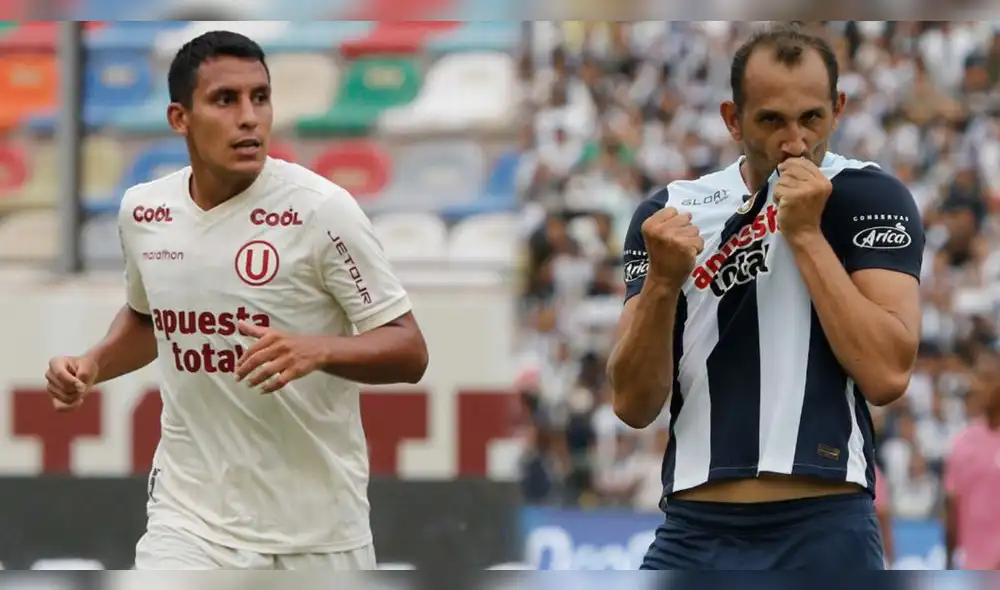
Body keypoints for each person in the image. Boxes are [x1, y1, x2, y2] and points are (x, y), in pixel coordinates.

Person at [43, 31, 429, 570]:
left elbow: (409, 349)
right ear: (180, 118)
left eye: (260, 98)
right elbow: (146, 318)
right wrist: (92, 364)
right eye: (226, 100)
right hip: (188, 523)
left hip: (317, 537)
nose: (249, 117)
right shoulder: (144, 212)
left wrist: (317, 350)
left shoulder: (322, 212)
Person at [606, 23, 924, 570]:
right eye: (772, 120)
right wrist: (660, 284)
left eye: (812, 119)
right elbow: (633, 405)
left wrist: (804, 234)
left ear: (839, 109)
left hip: (825, 525)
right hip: (694, 530)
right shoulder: (672, 213)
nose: (795, 142)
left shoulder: (871, 197)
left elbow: (887, 373)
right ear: (733, 119)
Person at [944, 345, 1000, 570]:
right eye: (977, 378)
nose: (979, 387)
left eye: (988, 379)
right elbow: (952, 507)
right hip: (973, 568)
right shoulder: (963, 442)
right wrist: (949, 563)